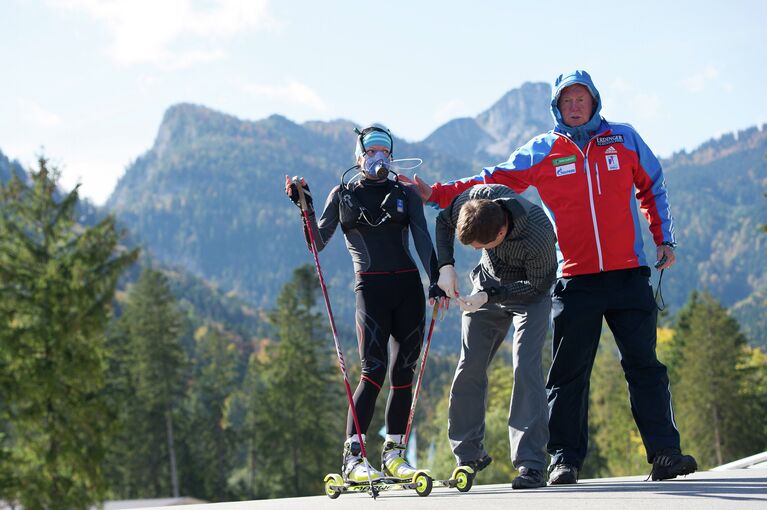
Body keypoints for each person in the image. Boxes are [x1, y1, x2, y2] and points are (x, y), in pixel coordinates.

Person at [407, 70, 697, 483]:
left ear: (594, 101)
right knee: (568, 373)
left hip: (629, 273)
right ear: (557, 107)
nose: (574, 106)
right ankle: (565, 460)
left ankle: (666, 453)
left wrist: (664, 238)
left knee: (644, 365)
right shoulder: (543, 150)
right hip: (575, 279)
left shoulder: (624, 139)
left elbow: (653, 187)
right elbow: (491, 180)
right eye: (567, 101)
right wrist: (438, 193)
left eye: (581, 99)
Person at [286, 125, 446, 484]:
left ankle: (393, 454)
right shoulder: (342, 194)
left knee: (404, 370)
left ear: (391, 156)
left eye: (384, 152)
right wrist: (304, 205)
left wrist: (436, 280)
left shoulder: (405, 192)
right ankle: (354, 458)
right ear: (358, 158)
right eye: (371, 152)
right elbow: (317, 241)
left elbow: (422, 240)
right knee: (372, 371)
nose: (378, 158)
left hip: (408, 289)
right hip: (370, 290)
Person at [435, 184, 557, 489]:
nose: (477, 251)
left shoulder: (539, 232)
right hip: (487, 287)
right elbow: (442, 220)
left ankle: (531, 464)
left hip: (529, 295)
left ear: (501, 232)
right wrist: (445, 267)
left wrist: (489, 296)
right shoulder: (476, 199)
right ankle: (468, 455)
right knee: (469, 367)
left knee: (526, 369)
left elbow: (539, 286)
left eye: (480, 246)